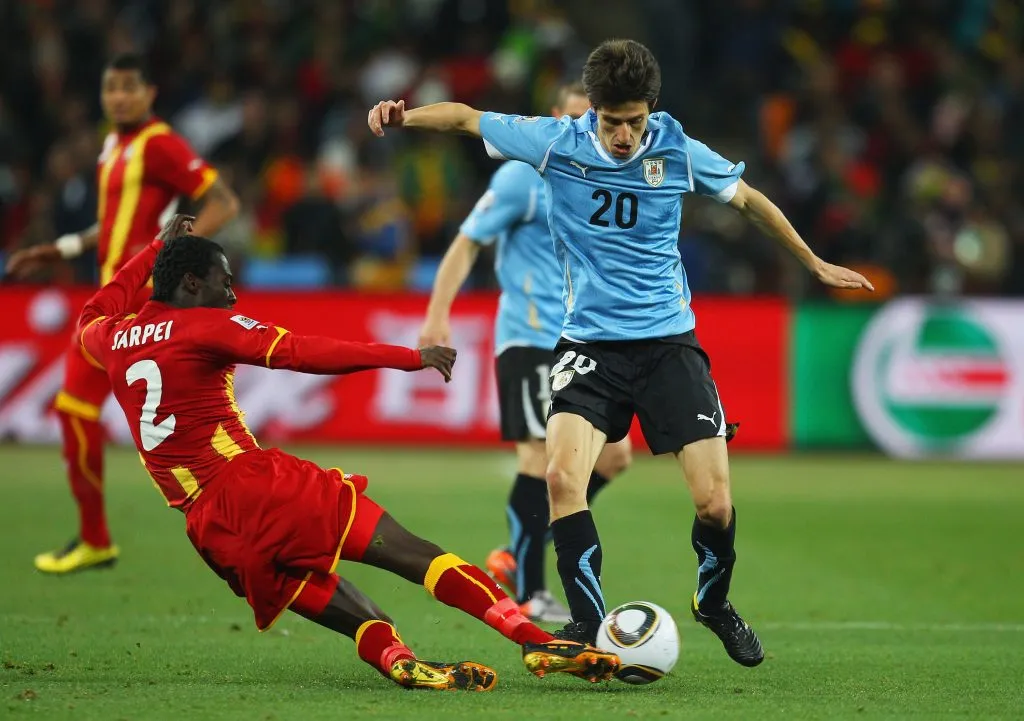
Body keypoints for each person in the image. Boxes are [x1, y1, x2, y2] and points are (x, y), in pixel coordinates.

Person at [368, 39, 874, 667]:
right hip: (589, 346)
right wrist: (403, 116)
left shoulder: (676, 148)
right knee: (559, 477)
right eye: (613, 123)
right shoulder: (554, 142)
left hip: (669, 346)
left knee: (715, 502)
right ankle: (586, 621)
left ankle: (713, 603)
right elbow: (469, 118)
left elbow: (749, 201)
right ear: (593, 114)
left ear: (651, 110)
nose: (625, 136)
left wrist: (814, 263)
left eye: (635, 121)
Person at [71, 213, 620, 691]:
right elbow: (301, 351)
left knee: (343, 603)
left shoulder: (113, 338)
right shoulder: (207, 325)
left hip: (208, 527)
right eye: (225, 282)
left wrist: (149, 252)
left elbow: (91, 314)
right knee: (411, 552)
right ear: (192, 283)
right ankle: (533, 638)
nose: (234, 295)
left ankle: (397, 658)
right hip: (255, 484)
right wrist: (407, 356)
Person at [6, 53, 240, 574]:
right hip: (110, 297)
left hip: (133, 307)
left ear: (150, 93)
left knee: (89, 415)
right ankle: (97, 538)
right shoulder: (116, 145)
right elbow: (112, 224)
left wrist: (174, 258)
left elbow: (225, 200)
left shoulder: (159, 142)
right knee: (76, 413)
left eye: (129, 88)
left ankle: (104, 538)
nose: (118, 98)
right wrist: (61, 249)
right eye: (110, 88)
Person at [418, 81, 632, 623]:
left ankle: (520, 549)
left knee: (615, 456)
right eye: (578, 117)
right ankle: (531, 589)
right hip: (531, 337)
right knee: (540, 462)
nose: (588, 130)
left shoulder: (603, 178)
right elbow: (468, 240)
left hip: (584, 338)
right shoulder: (522, 176)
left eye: (596, 120)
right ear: (556, 118)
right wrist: (437, 315)